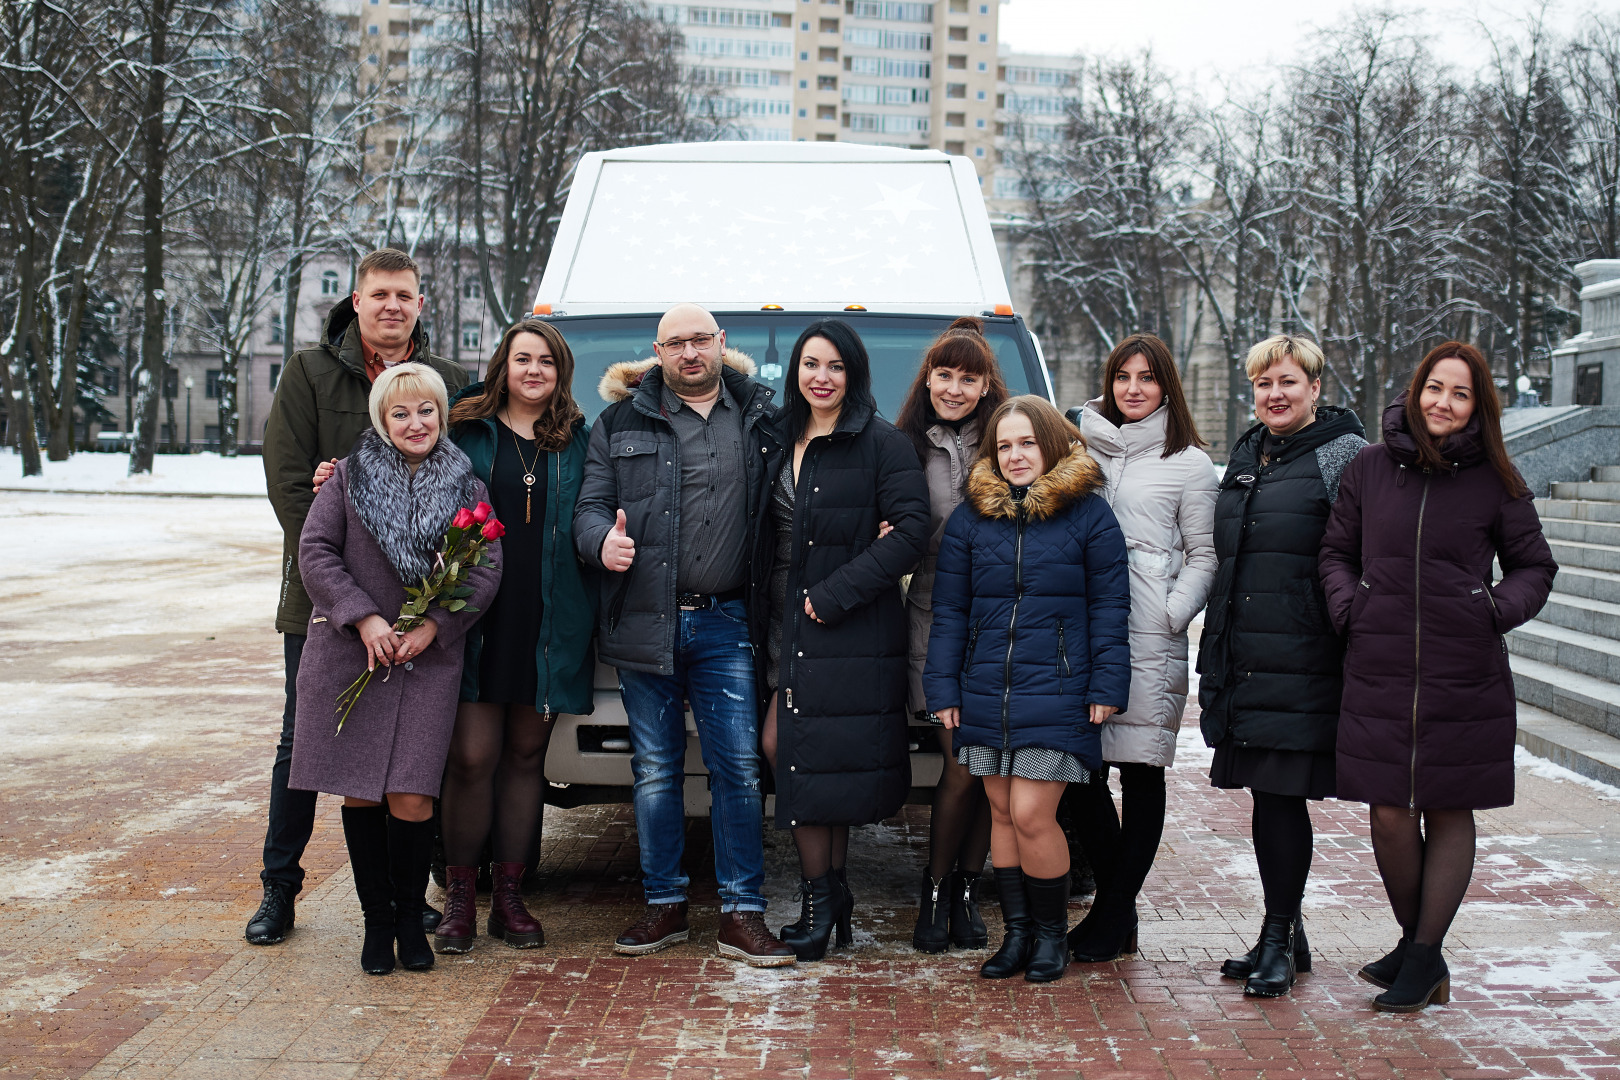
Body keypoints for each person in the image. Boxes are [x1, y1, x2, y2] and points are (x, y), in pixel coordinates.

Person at [1320, 342, 1555, 1012]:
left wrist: (1491, 610)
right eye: (1435, 388)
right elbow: (1335, 550)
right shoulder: (1369, 468)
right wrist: (1351, 606)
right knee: (1390, 813)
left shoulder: (1496, 481)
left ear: (1477, 408)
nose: (1443, 403)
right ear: (1415, 390)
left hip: (1465, 673)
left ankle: (1420, 958)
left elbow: (1535, 567)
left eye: (1460, 394)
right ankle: (1419, 951)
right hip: (1379, 664)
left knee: (1449, 807)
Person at [252, 249, 469, 946]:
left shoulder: (451, 383)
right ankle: (280, 889)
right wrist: (347, 591)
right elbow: (290, 486)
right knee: (303, 744)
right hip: (328, 609)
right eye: (379, 295)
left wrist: (429, 603)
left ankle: (414, 897)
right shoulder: (312, 374)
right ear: (356, 300)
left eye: (404, 295)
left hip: (423, 611)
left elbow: (460, 482)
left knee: (416, 748)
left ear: (420, 304)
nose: (391, 307)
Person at [573, 303, 795, 967]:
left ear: (722, 344)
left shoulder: (761, 419)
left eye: (701, 340)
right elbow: (587, 507)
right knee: (657, 772)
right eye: (677, 343)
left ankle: (741, 913)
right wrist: (599, 543)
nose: (690, 353)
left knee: (738, 768)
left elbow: (800, 502)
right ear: (658, 351)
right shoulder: (619, 422)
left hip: (729, 622)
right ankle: (664, 905)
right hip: (645, 620)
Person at [289, 364, 502, 975]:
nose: (416, 423)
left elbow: (486, 566)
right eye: (401, 413)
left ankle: (412, 919)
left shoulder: (466, 483)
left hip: (427, 661)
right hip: (355, 654)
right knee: (360, 795)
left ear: (442, 414)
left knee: (411, 796)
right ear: (383, 420)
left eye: (427, 410)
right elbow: (316, 552)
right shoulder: (349, 478)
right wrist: (365, 619)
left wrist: (435, 624)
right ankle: (377, 924)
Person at [924, 395, 1131, 983]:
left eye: (1027, 443)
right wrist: (943, 686)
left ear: (1052, 445)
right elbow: (951, 610)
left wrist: (1108, 682)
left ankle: (1050, 938)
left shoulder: (1090, 515)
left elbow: (1112, 607)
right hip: (986, 687)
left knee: (1033, 813)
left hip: (1062, 689)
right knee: (999, 811)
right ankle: (1016, 936)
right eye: (1005, 445)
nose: (1015, 456)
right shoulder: (971, 518)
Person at [1195, 334, 1366, 998]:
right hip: (1248, 654)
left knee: (1280, 800)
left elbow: (1361, 552)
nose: (1274, 394)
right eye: (1264, 383)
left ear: (1316, 389)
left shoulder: (1343, 456)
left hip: (1305, 657)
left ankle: (1275, 939)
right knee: (1270, 798)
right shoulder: (1249, 452)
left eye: (1288, 382)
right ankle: (1288, 938)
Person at [759, 319, 930, 961]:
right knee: (804, 758)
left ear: (853, 374)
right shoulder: (777, 438)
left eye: (834, 366)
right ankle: (828, 897)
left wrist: (831, 597)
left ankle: (820, 901)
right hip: (780, 623)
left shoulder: (882, 444)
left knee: (794, 750)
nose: (820, 378)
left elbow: (912, 531)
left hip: (844, 625)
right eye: (810, 364)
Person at [434, 319, 596, 953]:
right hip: (477, 618)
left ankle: (510, 896)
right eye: (523, 358)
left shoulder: (579, 440)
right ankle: (458, 897)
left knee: (527, 757)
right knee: (472, 757)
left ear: (561, 374)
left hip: (551, 617)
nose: (534, 371)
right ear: (503, 364)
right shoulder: (465, 430)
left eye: (547, 362)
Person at [1067, 333, 1217, 963]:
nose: (1133, 388)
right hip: (1084, 632)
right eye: (1123, 376)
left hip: (1150, 635)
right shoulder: (1081, 449)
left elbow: (1204, 554)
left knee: (1141, 771)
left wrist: (1170, 614)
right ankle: (1116, 909)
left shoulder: (1189, 462)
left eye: (1147, 377)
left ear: (1166, 387)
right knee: (1080, 774)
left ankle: (1112, 915)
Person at [892, 317, 1009, 953]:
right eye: (945, 375)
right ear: (928, 379)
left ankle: (965, 892)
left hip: (999, 623)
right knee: (962, 762)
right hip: (934, 618)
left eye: (969, 377)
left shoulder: (1008, 439)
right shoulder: (905, 442)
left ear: (987, 382)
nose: (955, 388)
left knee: (988, 766)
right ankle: (936, 893)